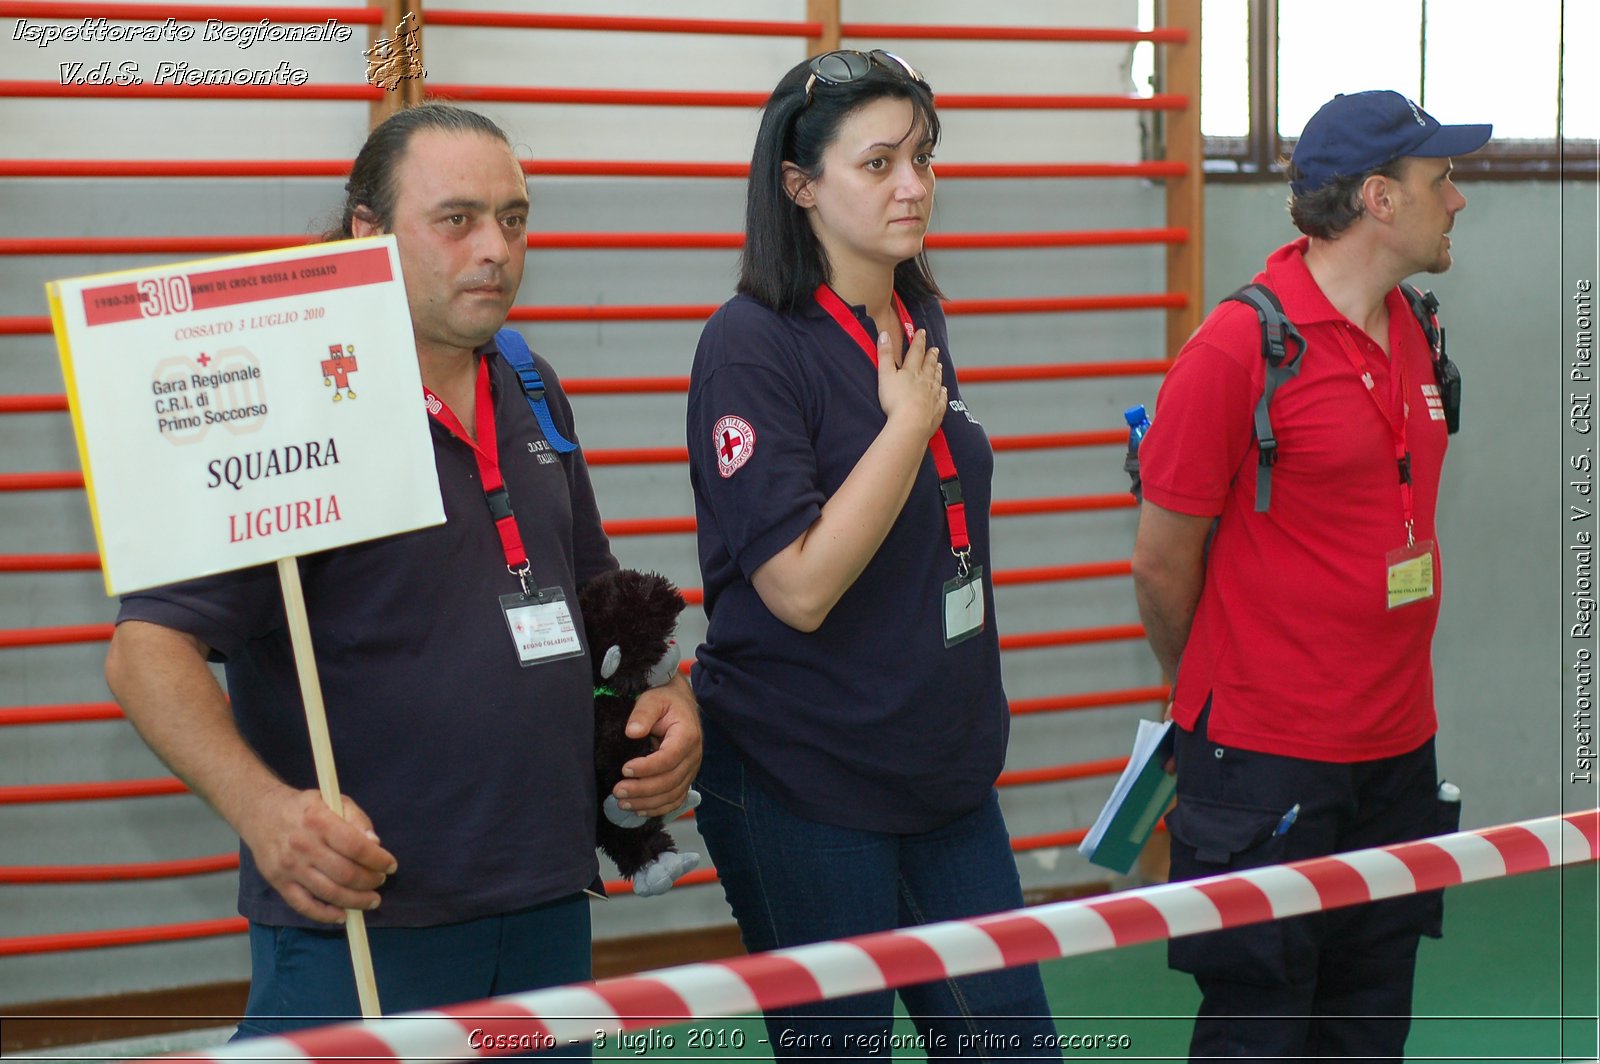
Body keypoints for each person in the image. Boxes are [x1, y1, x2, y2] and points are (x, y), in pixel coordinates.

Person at [103, 104, 701, 1039]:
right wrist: (268, 815)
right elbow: (146, 651)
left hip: (548, 900)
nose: (495, 248)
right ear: (367, 234)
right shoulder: (285, 406)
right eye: (456, 219)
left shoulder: (530, 380)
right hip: (367, 917)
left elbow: (598, 598)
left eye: (513, 217)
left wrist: (671, 699)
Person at [685, 50, 1059, 1059]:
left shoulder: (914, 310)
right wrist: (903, 429)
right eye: (879, 162)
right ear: (799, 184)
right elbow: (798, 587)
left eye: (924, 157)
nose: (914, 185)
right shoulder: (749, 343)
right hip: (804, 776)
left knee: (1013, 1046)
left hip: (942, 772)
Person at [1131, 90, 1491, 1061]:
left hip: (1396, 753)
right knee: (1259, 1035)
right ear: (1378, 198)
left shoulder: (1415, 324)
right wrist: (1220, 692)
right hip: (1264, 767)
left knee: (1366, 1032)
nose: (1456, 199)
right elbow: (1163, 566)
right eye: (1439, 179)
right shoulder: (1233, 349)